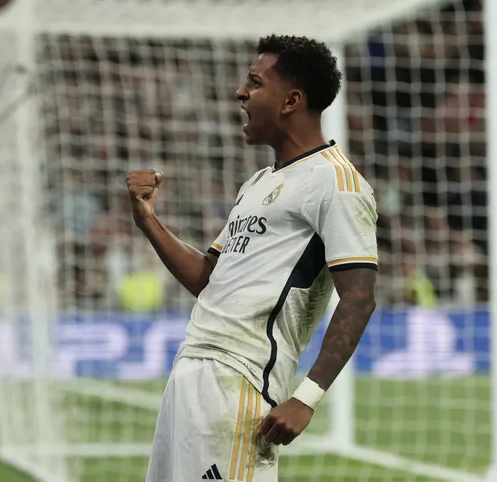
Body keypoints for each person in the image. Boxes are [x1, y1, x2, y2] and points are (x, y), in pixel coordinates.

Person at [126, 34, 378, 482]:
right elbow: (209, 277)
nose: (240, 93)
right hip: (192, 370)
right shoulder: (258, 183)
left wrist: (307, 396)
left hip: (242, 379)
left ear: (291, 100)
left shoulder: (337, 183)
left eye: (255, 83)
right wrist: (148, 220)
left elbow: (358, 297)